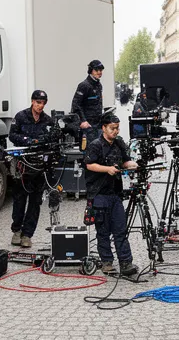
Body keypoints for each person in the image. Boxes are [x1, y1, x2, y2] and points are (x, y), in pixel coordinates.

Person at [84, 114, 139, 276]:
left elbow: (125, 161)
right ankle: (107, 262)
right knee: (103, 231)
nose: (115, 131)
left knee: (120, 229)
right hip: (99, 194)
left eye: (117, 128)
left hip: (115, 193)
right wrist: (106, 169)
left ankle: (126, 262)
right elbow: (89, 165)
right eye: (112, 128)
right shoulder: (95, 145)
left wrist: (133, 165)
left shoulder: (119, 143)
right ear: (104, 128)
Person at [7, 90, 54, 248]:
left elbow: (53, 137)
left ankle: (27, 234)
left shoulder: (48, 120)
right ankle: (17, 230)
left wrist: (44, 142)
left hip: (39, 166)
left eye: (43, 103)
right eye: (38, 102)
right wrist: (28, 140)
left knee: (35, 201)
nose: (40, 106)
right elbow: (12, 135)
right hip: (23, 164)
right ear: (32, 101)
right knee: (20, 199)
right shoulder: (21, 117)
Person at [72, 59, 105, 144]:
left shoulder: (98, 85)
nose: (99, 72)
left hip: (98, 125)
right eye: (96, 70)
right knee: (89, 152)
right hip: (88, 126)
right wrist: (83, 121)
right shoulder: (84, 85)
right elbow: (75, 105)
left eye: (100, 70)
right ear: (91, 71)